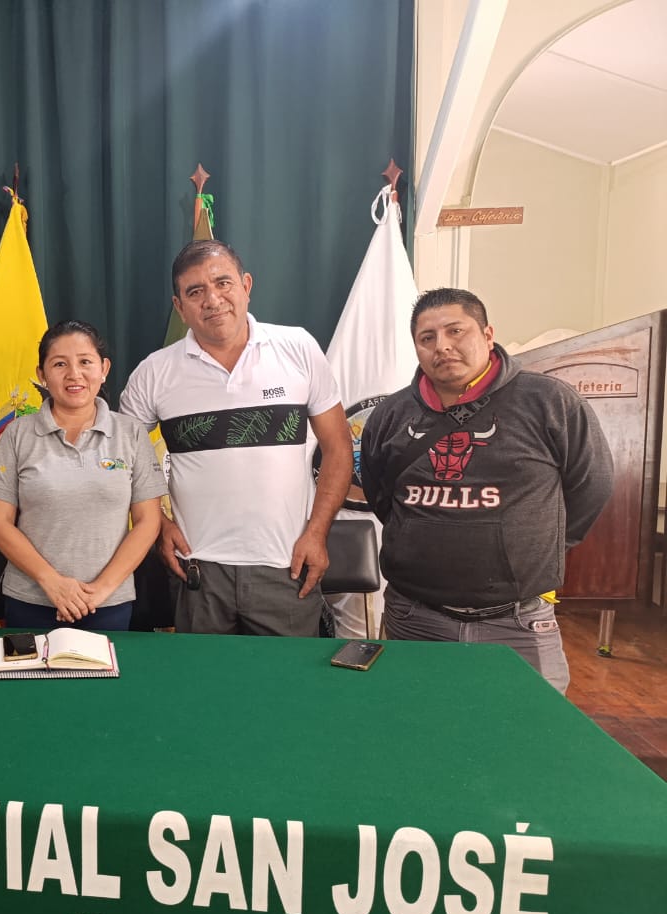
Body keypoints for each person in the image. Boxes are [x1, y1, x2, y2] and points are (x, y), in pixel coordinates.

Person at [360, 287, 613, 692]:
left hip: (518, 621)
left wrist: (535, 546)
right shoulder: (390, 413)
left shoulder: (549, 402)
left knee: (531, 725)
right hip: (414, 618)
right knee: (416, 721)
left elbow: (592, 485)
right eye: (427, 338)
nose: (442, 346)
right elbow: (379, 492)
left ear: (488, 334)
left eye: (455, 331)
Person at [120, 239, 353, 637]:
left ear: (246, 286)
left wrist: (317, 533)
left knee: (287, 677)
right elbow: (119, 460)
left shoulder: (297, 348)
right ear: (180, 307)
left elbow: (339, 448)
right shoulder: (154, 373)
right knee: (204, 678)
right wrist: (159, 524)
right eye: (195, 291)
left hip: (287, 566)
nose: (213, 300)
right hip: (198, 570)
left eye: (222, 283)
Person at [0, 321, 167, 631]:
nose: (74, 374)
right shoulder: (17, 434)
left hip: (108, 602)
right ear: (41, 374)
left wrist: (101, 590)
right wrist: (52, 582)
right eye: (59, 364)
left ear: (104, 369)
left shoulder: (131, 433)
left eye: (85, 362)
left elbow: (148, 521)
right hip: (32, 600)